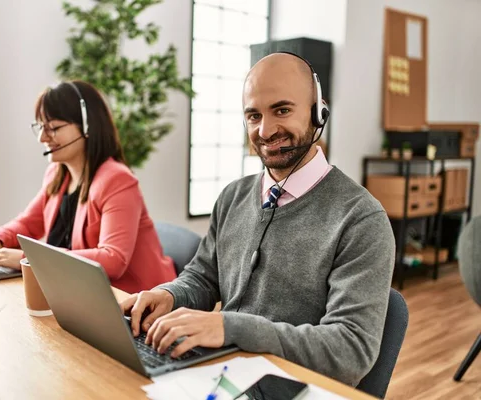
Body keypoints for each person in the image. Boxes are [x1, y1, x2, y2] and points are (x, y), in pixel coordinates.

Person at [120, 53, 395, 386]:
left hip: (287, 386)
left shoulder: (361, 219)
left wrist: (230, 328)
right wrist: (169, 296)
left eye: (281, 110)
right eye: (253, 116)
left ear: (318, 111)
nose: (265, 130)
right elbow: (205, 277)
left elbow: (350, 350)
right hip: (220, 370)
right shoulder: (234, 196)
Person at [0, 80, 177, 293]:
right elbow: (28, 223)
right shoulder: (58, 174)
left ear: (87, 126)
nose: (43, 138)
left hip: (135, 302)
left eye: (53, 128)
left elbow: (113, 259)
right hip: (81, 292)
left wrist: (29, 259)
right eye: (40, 127)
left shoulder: (117, 180)